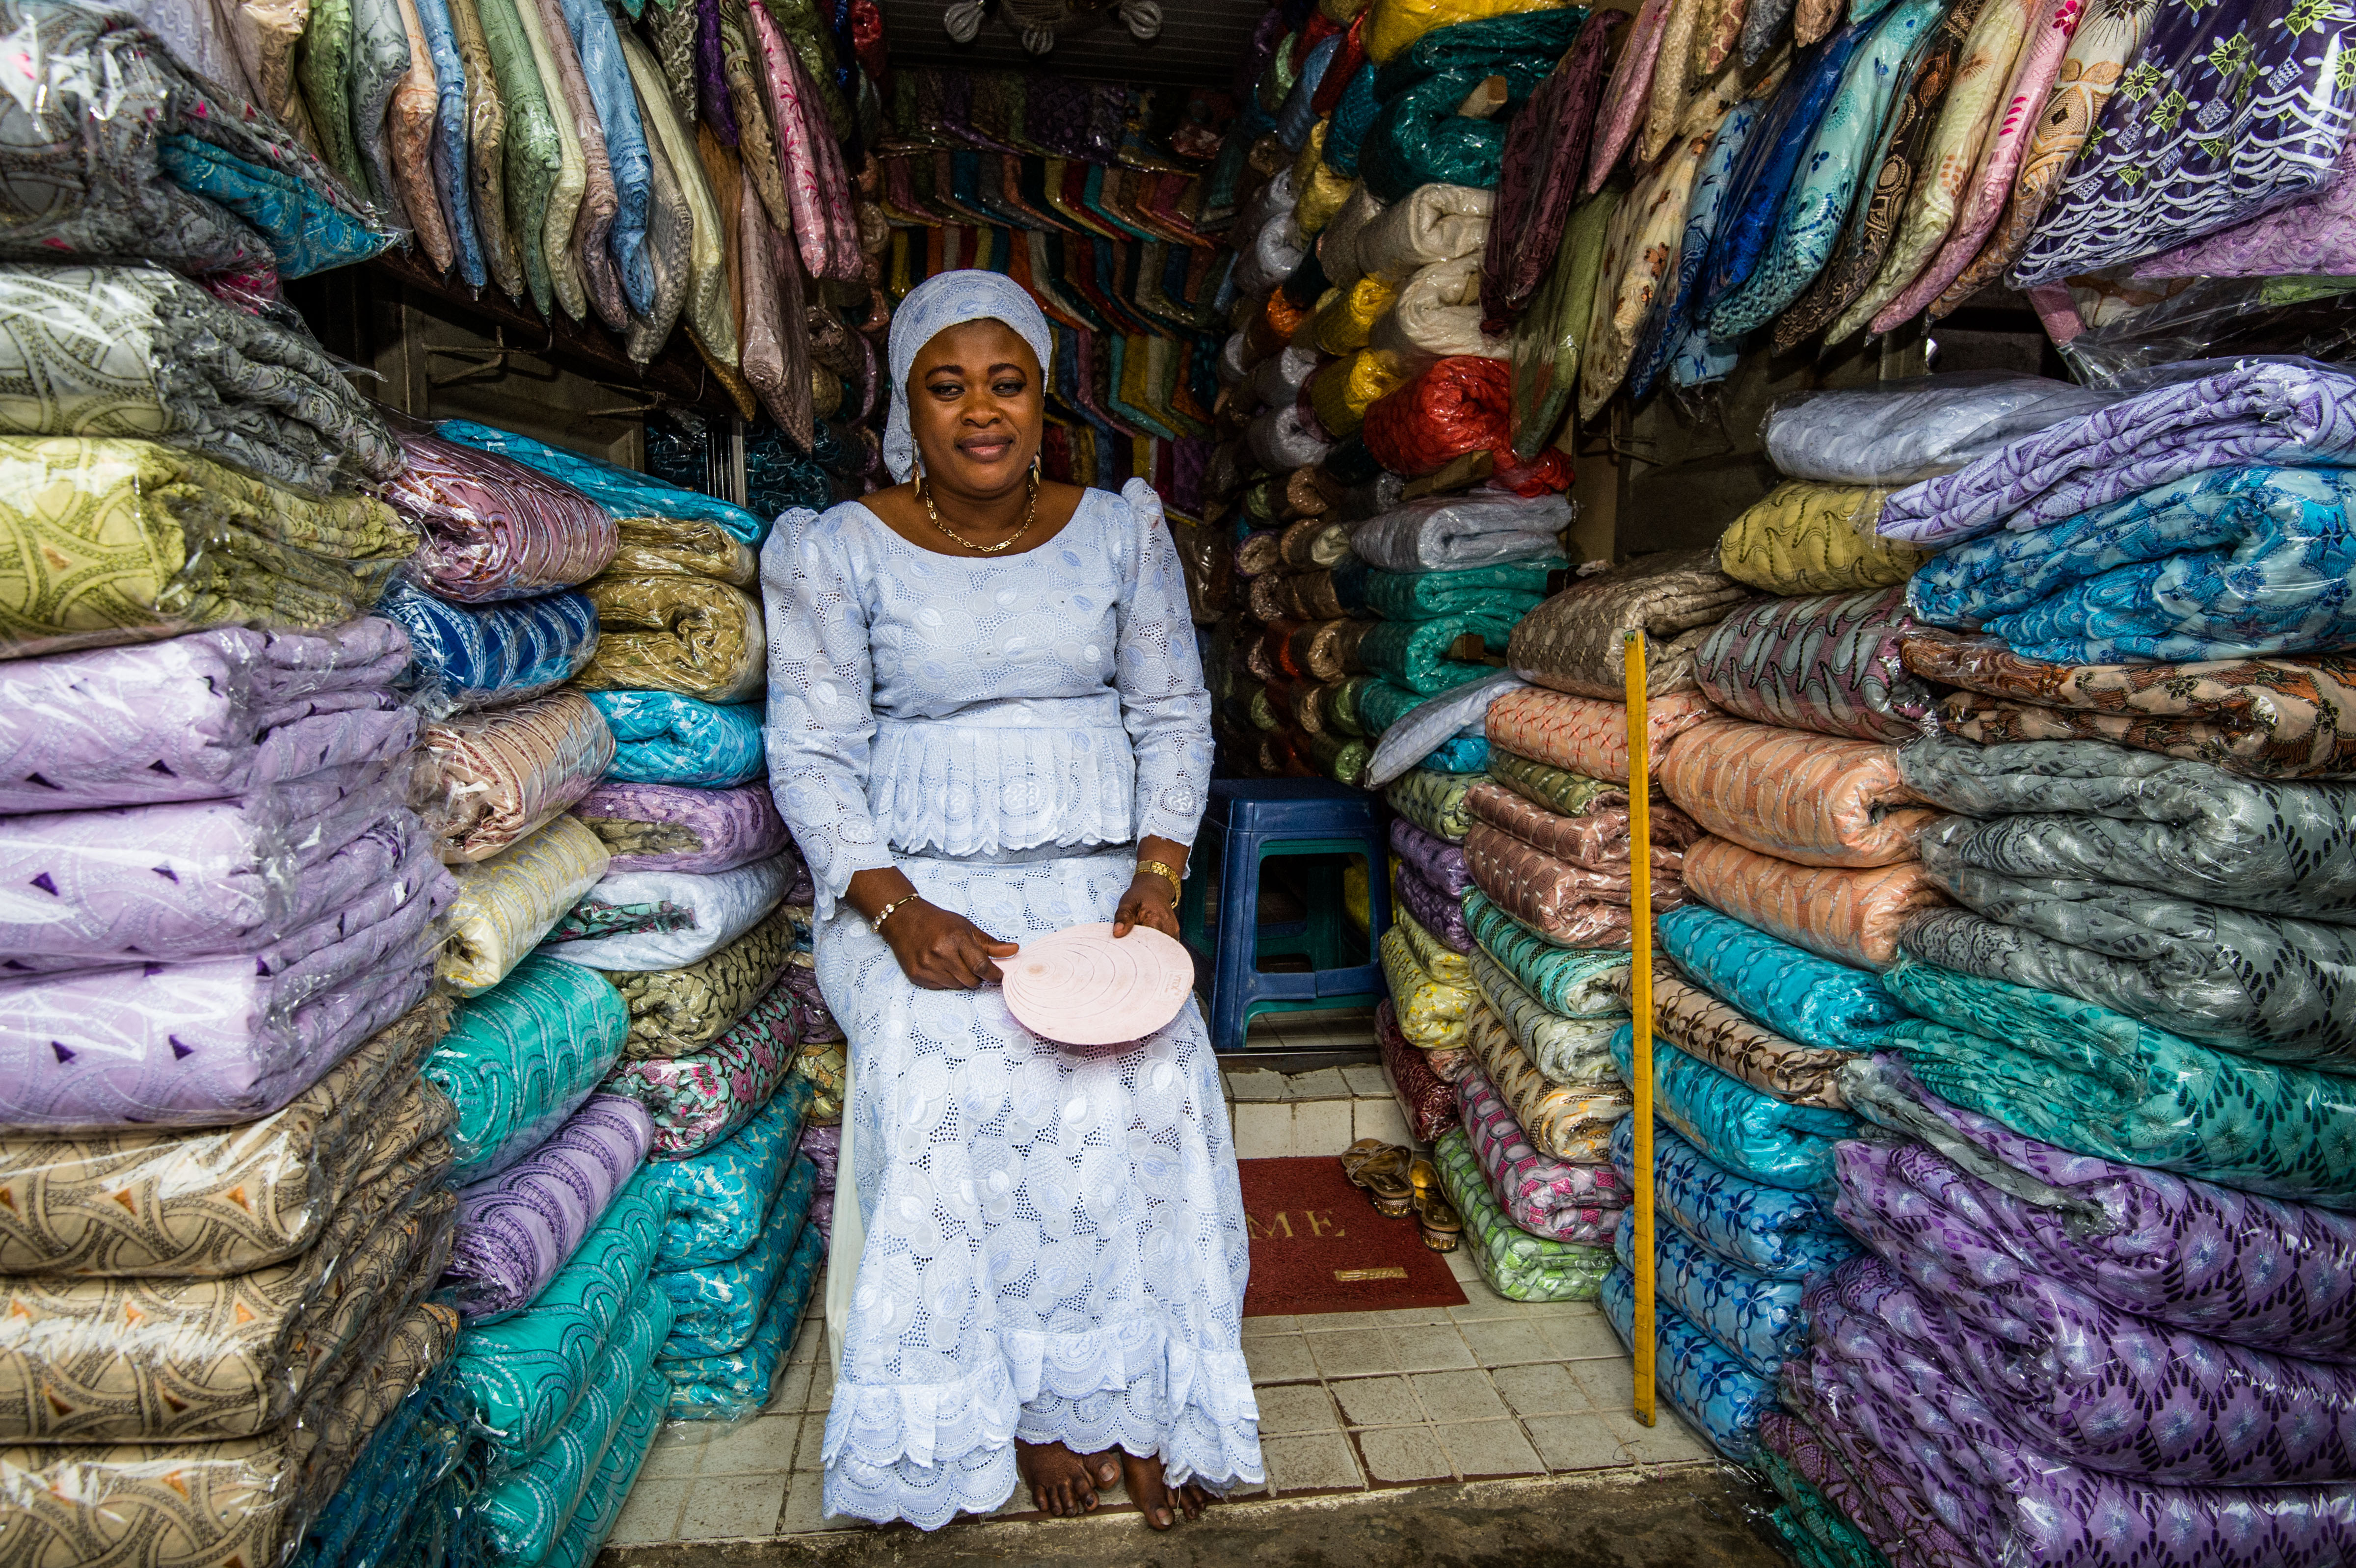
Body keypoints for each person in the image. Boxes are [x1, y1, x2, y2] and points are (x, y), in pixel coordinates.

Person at [761, 270, 1262, 1532]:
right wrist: (893, 910)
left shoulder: (1119, 530)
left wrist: (1156, 878)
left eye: (1008, 382)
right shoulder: (841, 548)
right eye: (948, 384)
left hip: (1095, 879)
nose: (981, 411)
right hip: (912, 892)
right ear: (908, 407)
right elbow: (813, 752)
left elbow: (1169, 709)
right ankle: (1020, 1404)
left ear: (1045, 398)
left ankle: (1142, 1398)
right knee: (948, 1075)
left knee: (1153, 1078)